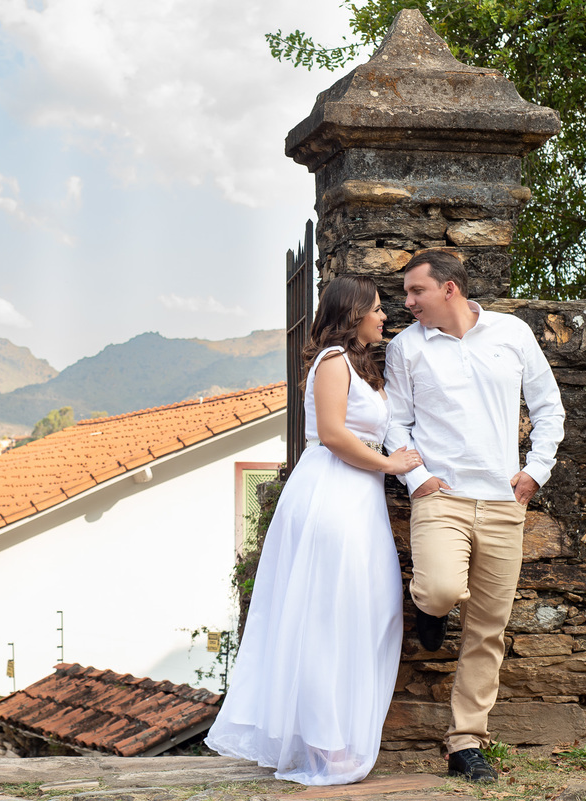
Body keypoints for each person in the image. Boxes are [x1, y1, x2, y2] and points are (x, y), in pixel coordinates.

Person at [206, 275, 422, 785]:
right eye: (375, 309)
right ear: (352, 315)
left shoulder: (365, 367)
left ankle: (337, 735)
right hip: (331, 493)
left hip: (358, 499)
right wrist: (392, 467)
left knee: (370, 610)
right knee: (327, 614)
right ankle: (324, 747)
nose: (384, 316)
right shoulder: (331, 362)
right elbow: (330, 435)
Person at [383, 250, 565, 783]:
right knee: (439, 589)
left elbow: (549, 406)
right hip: (442, 498)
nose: (407, 302)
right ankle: (431, 607)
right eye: (405, 294)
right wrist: (417, 480)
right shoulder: (405, 348)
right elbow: (396, 423)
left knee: (488, 628)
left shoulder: (511, 333)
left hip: (505, 501)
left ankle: (465, 743)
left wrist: (536, 471)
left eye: (416, 292)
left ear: (450, 289)